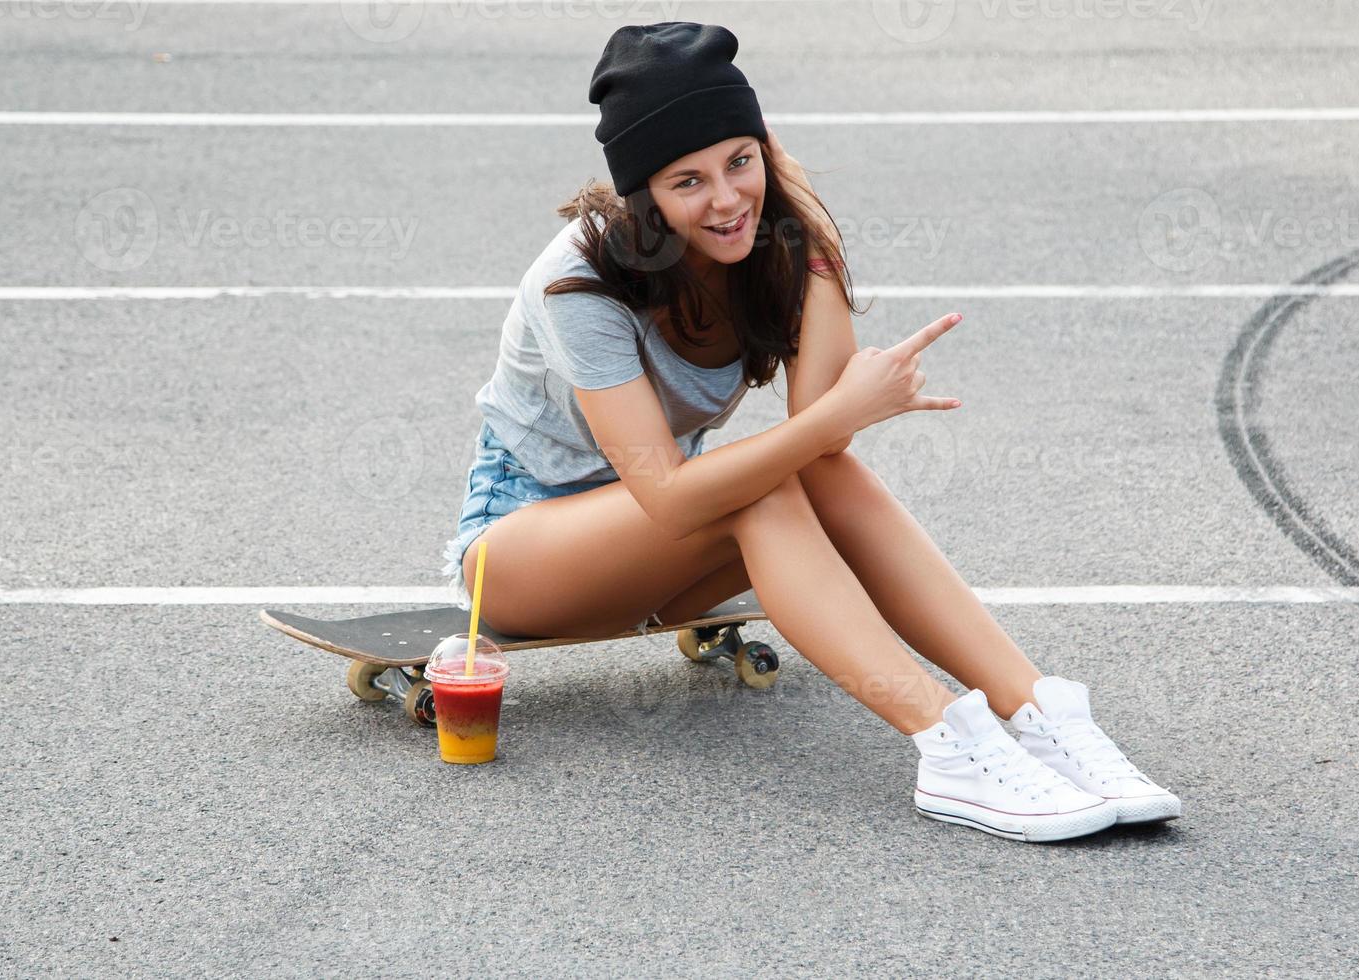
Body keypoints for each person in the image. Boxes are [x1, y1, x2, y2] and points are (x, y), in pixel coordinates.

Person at [440, 21, 1181, 842]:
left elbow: (825, 451)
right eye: (688, 181)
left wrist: (806, 232)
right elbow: (673, 497)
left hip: (656, 554)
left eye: (740, 162)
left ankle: (1039, 711)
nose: (725, 199)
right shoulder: (578, 284)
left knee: (809, 474)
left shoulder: (769, 238)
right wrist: (848, 407)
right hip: (518, 551)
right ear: (643, 197)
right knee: (763, 493)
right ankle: (948, 744)